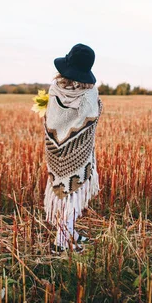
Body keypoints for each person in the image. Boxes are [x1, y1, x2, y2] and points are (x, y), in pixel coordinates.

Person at [43, 43, 103, 253]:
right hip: (78, 153)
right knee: (74, 194)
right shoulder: (90, 94)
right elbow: (93, 116)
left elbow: (51, 117)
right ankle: (62, 241)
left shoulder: (54, 89)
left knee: (65, 193)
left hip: (55, 150)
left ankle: (68, 231)